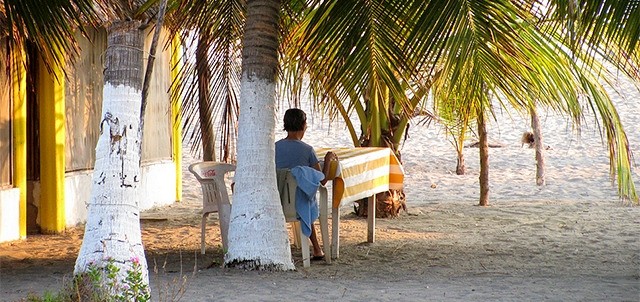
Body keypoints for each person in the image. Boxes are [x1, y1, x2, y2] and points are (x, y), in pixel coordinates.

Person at [275, 108, 336, 260]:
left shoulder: (273, 147)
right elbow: (322, 179)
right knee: (305, 198)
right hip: (298, 205)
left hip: (277, 201)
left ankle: (316, 248)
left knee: (303, 197)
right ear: (303, 125)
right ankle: (316, 248)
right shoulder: (307, 150)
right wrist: (327, 160)